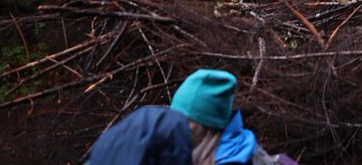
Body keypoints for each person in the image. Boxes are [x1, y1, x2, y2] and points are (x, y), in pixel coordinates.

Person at [86, 68, 297, 165]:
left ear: (204, 126)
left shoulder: (231, 158)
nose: (175, 126)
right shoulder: (175, 148)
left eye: (184, 121)